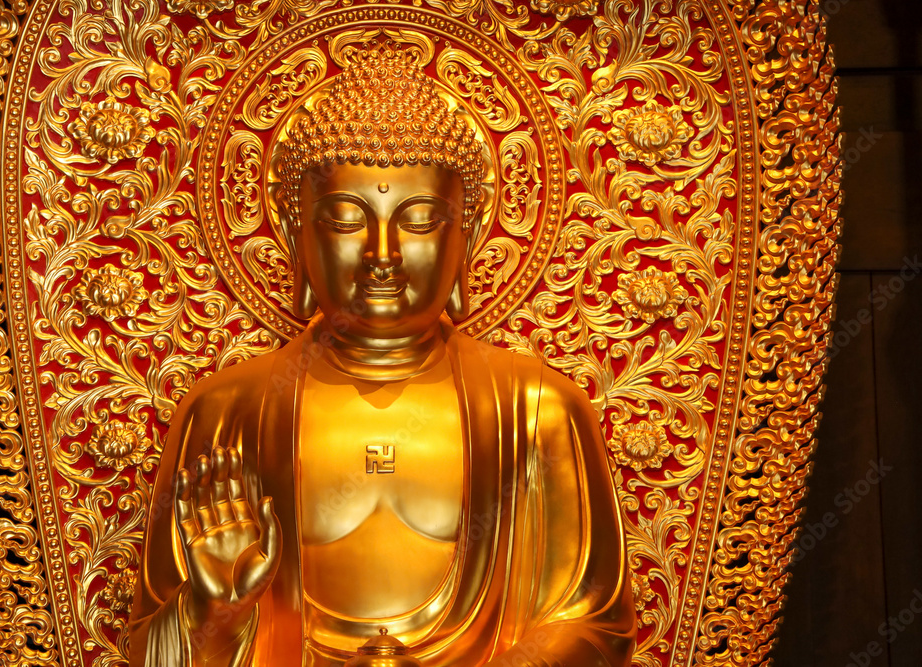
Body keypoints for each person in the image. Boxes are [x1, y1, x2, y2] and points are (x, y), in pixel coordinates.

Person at [129, 47, 635, 667]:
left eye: (420, 220)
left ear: (465, 239)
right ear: (296, 239)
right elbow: (149, 656)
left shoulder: (537, 410)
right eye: (345, 220)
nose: (383, 253)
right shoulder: (226, 412)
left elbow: (596, 635)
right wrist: (213, 613)